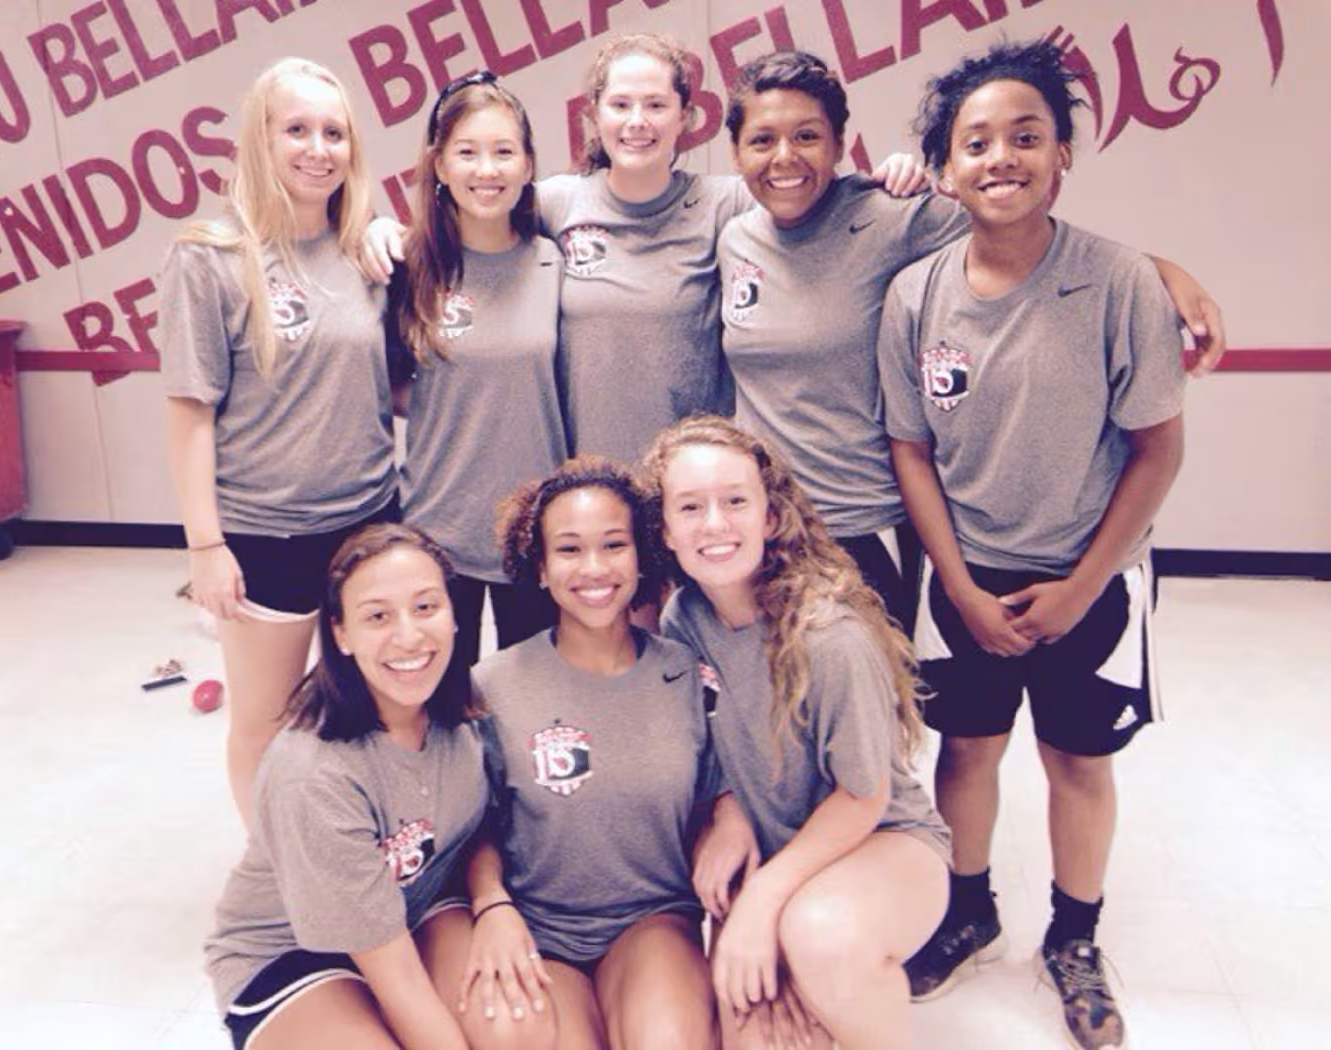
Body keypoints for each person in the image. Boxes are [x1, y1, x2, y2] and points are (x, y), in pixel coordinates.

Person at [880, 39, 1187, 1050]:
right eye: (975, 142)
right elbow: (910, 452)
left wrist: (1079, 584)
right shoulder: (914, 296)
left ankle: (1074, 935)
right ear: (942, 166)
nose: (999, 157)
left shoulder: (1116, 282)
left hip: (1090, 576)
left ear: (1062, 154)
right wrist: (959, 589)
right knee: (964, 751)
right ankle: (966, 910)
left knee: (1077, 762)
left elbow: (1153, 450)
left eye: (1025, 136)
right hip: (965, 574)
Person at [717, 49, 1222, 632]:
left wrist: (1164, 273)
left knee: (876, 708)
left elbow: (1021, 231)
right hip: (763, 523)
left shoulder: (889, 216)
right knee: (772, 706)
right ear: (736, 152)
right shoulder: (732, 239)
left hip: (869, 523)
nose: (784, 157)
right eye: (761, 140)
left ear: (838, 145)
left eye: (807, 135)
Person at [361, 35, 926, 467]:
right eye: (621, 105)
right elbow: (465, 212)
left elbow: (804, 186)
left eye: (656, 105)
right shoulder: (556, 204)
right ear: (594, 115)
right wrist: (383, 231)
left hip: (695, 483)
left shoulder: (727, 205)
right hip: (590, 486)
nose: (638, 123)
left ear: (686, 116)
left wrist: (892, 175)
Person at [646, 416, 952, 1050]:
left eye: (735, 501)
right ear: (665, 530)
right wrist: (729, 813)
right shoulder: (684, 619)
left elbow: (864, 796)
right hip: (777, 855)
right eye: (691, 507)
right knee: (755, 1024)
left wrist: (763, 904)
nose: (715, 523)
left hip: (881, 842)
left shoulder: (828, 635)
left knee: (819, 933)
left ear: (771, 514)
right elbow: (707, 748)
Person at [161, 57, 398, 824]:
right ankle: (278, 874)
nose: (317, 148)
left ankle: (367, 852)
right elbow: (190, 411)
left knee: (366, 715)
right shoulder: (212, 256)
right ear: (260, 138)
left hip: (367, 520)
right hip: (265, 532)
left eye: (334, 132)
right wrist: (206, 547)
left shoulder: (364, 252)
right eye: (296, 129)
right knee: (264, 722)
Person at [203, 524, 496, 1049]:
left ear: (454, 615)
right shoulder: (311, 772)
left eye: (426, 607)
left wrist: (496, 906)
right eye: (378, 616)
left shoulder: (464, 710)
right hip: (288, 949)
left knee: (513, 1025)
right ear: (340, 632)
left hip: (417, 909)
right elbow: (397, 979)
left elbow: (487, 833)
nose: (409, 636)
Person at [461, 456, 718, 1048]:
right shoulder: (492, 685)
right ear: (542, 568)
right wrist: (491, 904)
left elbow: (720, 792)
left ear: (642, 557)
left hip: (653, 920)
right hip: (539, 929)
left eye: (614, 545)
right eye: (570, 550)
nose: (595, 568)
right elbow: (475, 825)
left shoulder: (686, 672)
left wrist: (726, 819)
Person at [389, 71, 563, 667]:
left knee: (535, 709)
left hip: (535, 536)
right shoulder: (407, 267)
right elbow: (387, 384)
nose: (486, 170)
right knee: (441, 703)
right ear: (439, 165)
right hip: (437, 532)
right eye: (467, 152)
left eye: (503, 152)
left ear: (528, 163)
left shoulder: (553, 261)